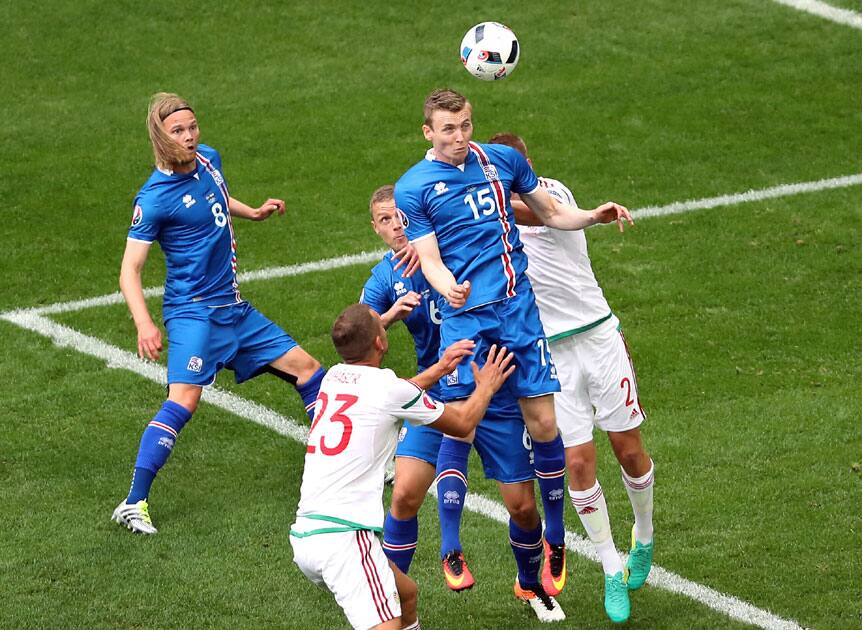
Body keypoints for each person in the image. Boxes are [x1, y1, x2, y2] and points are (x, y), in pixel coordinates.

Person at [394, 88, 633, 597]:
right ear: (428, 132)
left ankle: (554, 537)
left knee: (545, 424)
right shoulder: (413, 187)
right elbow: (429, 257)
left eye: (465, 127)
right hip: (466, 322)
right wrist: (444, 285)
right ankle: (451, 545)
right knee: (460, 423)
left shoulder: (501, 160)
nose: (459, 138)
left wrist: (593, 214)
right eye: (448, 130)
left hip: (519, 313)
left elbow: (549, 214)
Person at [111, 93, 325, 534]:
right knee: (183, 400)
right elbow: (129, 271)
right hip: (193, 315)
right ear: (160, 136)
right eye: (179, 131)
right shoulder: (153, 199)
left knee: (308, 369)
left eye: (193, 127)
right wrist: (144, 322)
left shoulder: (208, 159)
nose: (190, 137)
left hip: (234, 308)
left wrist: (253, 212)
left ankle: (342, 466)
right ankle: (134, 503)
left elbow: (219, 199)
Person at [361, 186, 565, 623]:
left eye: (400, 215)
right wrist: (391, 315)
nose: (396, 226)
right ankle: (387, 597)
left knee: (522, 507)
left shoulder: (452, 251)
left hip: (495, 382)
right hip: (432, 392)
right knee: (404, 494)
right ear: (376, 229)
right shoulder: (385, 277)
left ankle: (530, 583)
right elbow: (356, 330)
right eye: (384, 220)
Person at [488, 132, 655, 624]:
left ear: (526, 164)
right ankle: (610, 568)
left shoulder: (551, 192)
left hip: (599, 339)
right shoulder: (489, 218)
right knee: (578, 462)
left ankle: (643, 536)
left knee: (629, 450)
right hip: (553, 356)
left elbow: (536, 212)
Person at [289, 303, 513, 630]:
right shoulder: (387, 389)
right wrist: (486, 387)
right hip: (345, 538)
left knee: (405, 594)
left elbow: (390, 396)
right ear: (380, 343)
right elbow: (463, 423)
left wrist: (438, 368)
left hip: (306, 536)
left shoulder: (334, 379)